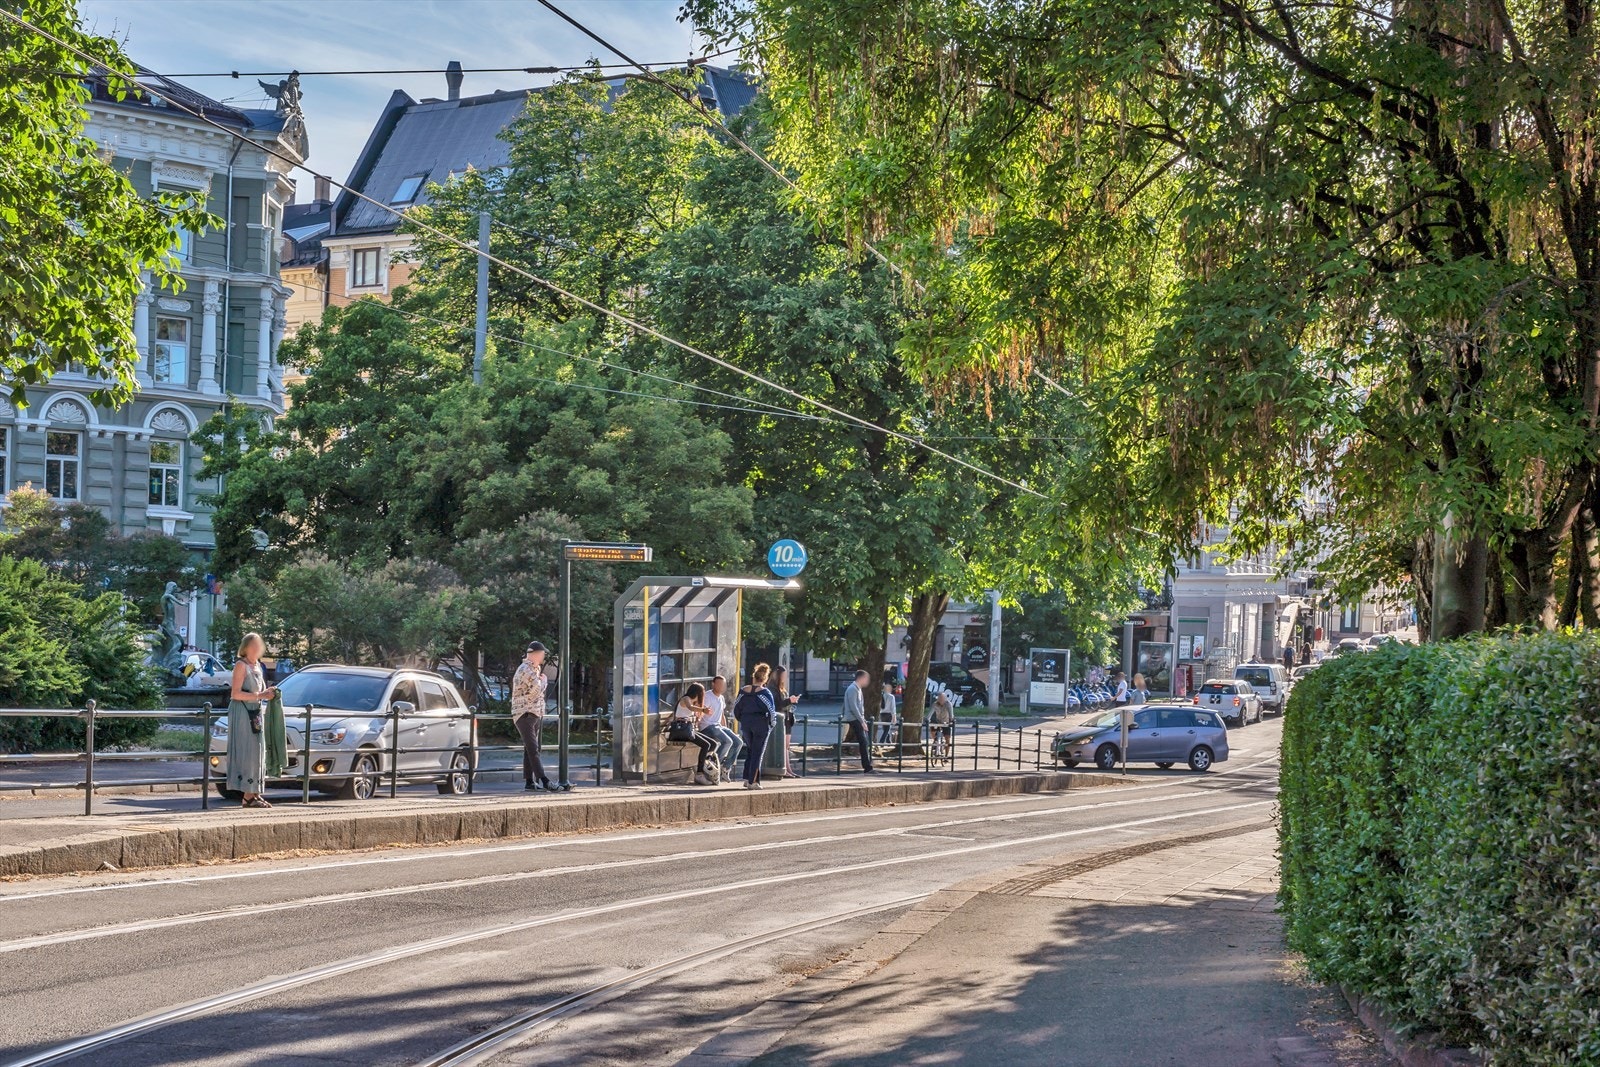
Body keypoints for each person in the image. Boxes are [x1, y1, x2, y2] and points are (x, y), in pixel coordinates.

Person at [227, 632, 278, 808]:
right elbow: (235, 693)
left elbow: (259, 692)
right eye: (253, 646)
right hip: (243, 713)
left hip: (255, 712)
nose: (257, 649)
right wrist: (260, 695)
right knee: (249, 751)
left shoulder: (257, 665)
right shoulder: (241, 665)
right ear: (246, 647)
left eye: (259, 646)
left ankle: (255, 792)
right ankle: (248, 794)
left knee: (258, 752)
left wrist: (268, 693)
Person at [512, 641, 559, 792]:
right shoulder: (525, 669)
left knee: (530, 748)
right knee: (533, 749)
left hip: (534, 713)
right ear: (536, 654)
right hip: (524, 713)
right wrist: (544, 681)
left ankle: (529, 782)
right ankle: (544, 780)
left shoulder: (535, 669)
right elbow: (535, 691)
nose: (544, 655)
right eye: (543, 653)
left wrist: (540, 679)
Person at [733, 663, 778, 788]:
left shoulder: (743, 691)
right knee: (758, 752)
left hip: (746, 724)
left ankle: (747, 778)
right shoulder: (765, 693)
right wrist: (771, 725)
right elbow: (771, 711)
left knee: (750, 751)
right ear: (765, 679)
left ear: (753, 677)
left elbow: (736, 709)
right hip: (760, 725)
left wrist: (742, 720)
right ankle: (754, 781)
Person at [673, 682, 719, 785]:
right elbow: (690, 707)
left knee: (713, 743)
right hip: (682, 730)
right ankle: (699, 773)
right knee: (706, 745)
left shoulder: (692, 701)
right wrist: (703, 710)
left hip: (687, 729)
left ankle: (702, 764)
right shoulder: (686, 699)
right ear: (698, 693)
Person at [702, 675, 743, 783]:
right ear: (713, 684)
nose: (721, 687)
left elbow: (721, 715)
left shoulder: (721, 698)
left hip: (717, 726)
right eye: (719, 684)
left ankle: (725, 768)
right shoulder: (708, 696)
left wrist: (725, 727)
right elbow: (701, 710)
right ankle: (715, 767)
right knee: (727, 741)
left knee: (738, 742)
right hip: (707, 726)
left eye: (723, 685)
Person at [841, 669, 875, 773]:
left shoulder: (857, 689)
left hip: (856, 718)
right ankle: (867, 766)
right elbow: (853, 707)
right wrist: (862, 721)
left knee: (864, 741)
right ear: (861, 678)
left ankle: (868, 765)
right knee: (863, 741)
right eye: (866, 679)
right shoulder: (853, 689)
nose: (867, 682)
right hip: (854, 718)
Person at [770, 666, 801, 778]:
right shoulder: (772, 689)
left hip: (787, 718)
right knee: (783, 745)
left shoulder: (781, 688)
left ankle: (789, 769)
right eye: (783, 675)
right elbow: (777, 705)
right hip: (780, 719)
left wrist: (791, 701)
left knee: (787, 746)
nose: (785, 678)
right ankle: (784, 769)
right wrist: (789, 700)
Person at [928, 691, 955, 760]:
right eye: (939, 699)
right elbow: (930, 714)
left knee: (947, 739)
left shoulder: (948, 704)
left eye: (942, 699)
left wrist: (951, 720)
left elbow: (951, 715)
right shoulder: (935, 704)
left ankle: (946, 756)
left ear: (945, 699)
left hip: (946, 722)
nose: (941, 701)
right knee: (932, 730)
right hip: (938, 721)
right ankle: (936, 742)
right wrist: (927, 719)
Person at [877, 682, 897, 746]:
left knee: (885, 728)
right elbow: (893, 708)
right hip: (888, 714)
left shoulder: (880, 696)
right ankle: (881, 742)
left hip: (882, 714)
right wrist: (894, 717)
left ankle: (888, 741)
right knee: (887, 729)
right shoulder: (891, 697)